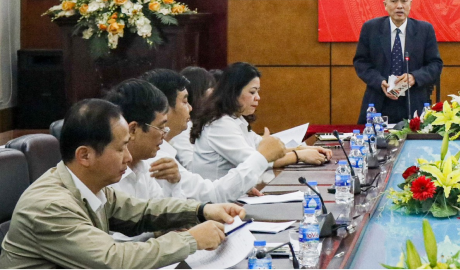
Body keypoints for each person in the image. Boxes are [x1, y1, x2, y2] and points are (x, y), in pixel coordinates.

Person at [0, 99, 245, 270]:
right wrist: (191, 240)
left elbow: (142, 212)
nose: (128, 158)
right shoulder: (49, 206)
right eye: (120, 149)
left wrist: (201, 211)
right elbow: (113, 261)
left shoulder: (90, 185)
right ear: (85, 156)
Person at [108, 79, 285, 204]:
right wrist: (261, 157)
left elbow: (166, 217)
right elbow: (213, 195)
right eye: (185, 101)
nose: (191, 108)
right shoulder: (146, 161)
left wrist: (175, 184)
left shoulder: (145, 162)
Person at [188, 62, 330, 180]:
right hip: (214, 205)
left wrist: (304, 149)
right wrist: (299, 156)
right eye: (252, 92)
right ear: (233, 92)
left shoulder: (236, 120)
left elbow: (262, 148)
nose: (258, 98)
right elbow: (257, 159)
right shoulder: (220, 124)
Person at [353, 0, 444, 124]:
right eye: (394, 1)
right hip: (378, 101)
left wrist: (414, 77)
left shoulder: (424, 30)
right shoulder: (371, 28)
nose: (399, 6)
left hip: (413, 102)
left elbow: (435, 64)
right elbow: (361, 62)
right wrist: (380, 82)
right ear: (385, 4)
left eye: (404, 0)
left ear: (410, 3)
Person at [173, 66, 217, 167]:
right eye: (210, 88)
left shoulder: (203, 122)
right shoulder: (183, 126)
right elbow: (190, 164)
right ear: (198, 92)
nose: (214, 94)